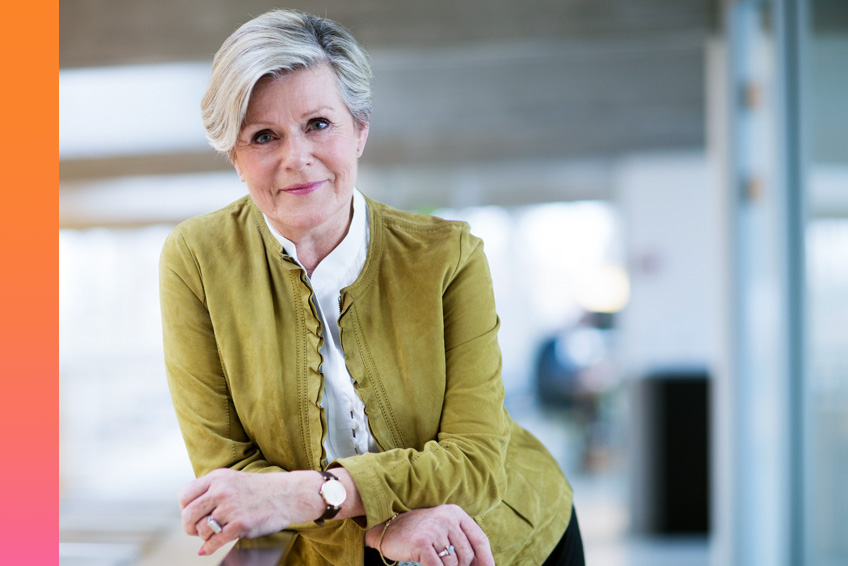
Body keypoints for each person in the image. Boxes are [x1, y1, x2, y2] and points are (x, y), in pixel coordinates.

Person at [160, 9, 584, 566]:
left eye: (318, 124)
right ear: (235, 158)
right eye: (264, 136)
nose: (296, 158)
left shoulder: (448, 256)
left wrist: (315, 494)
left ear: (359, 130)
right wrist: (380, 530)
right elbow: (230, 476)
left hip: (491, 539)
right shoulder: (195, 260)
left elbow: (477, 461)